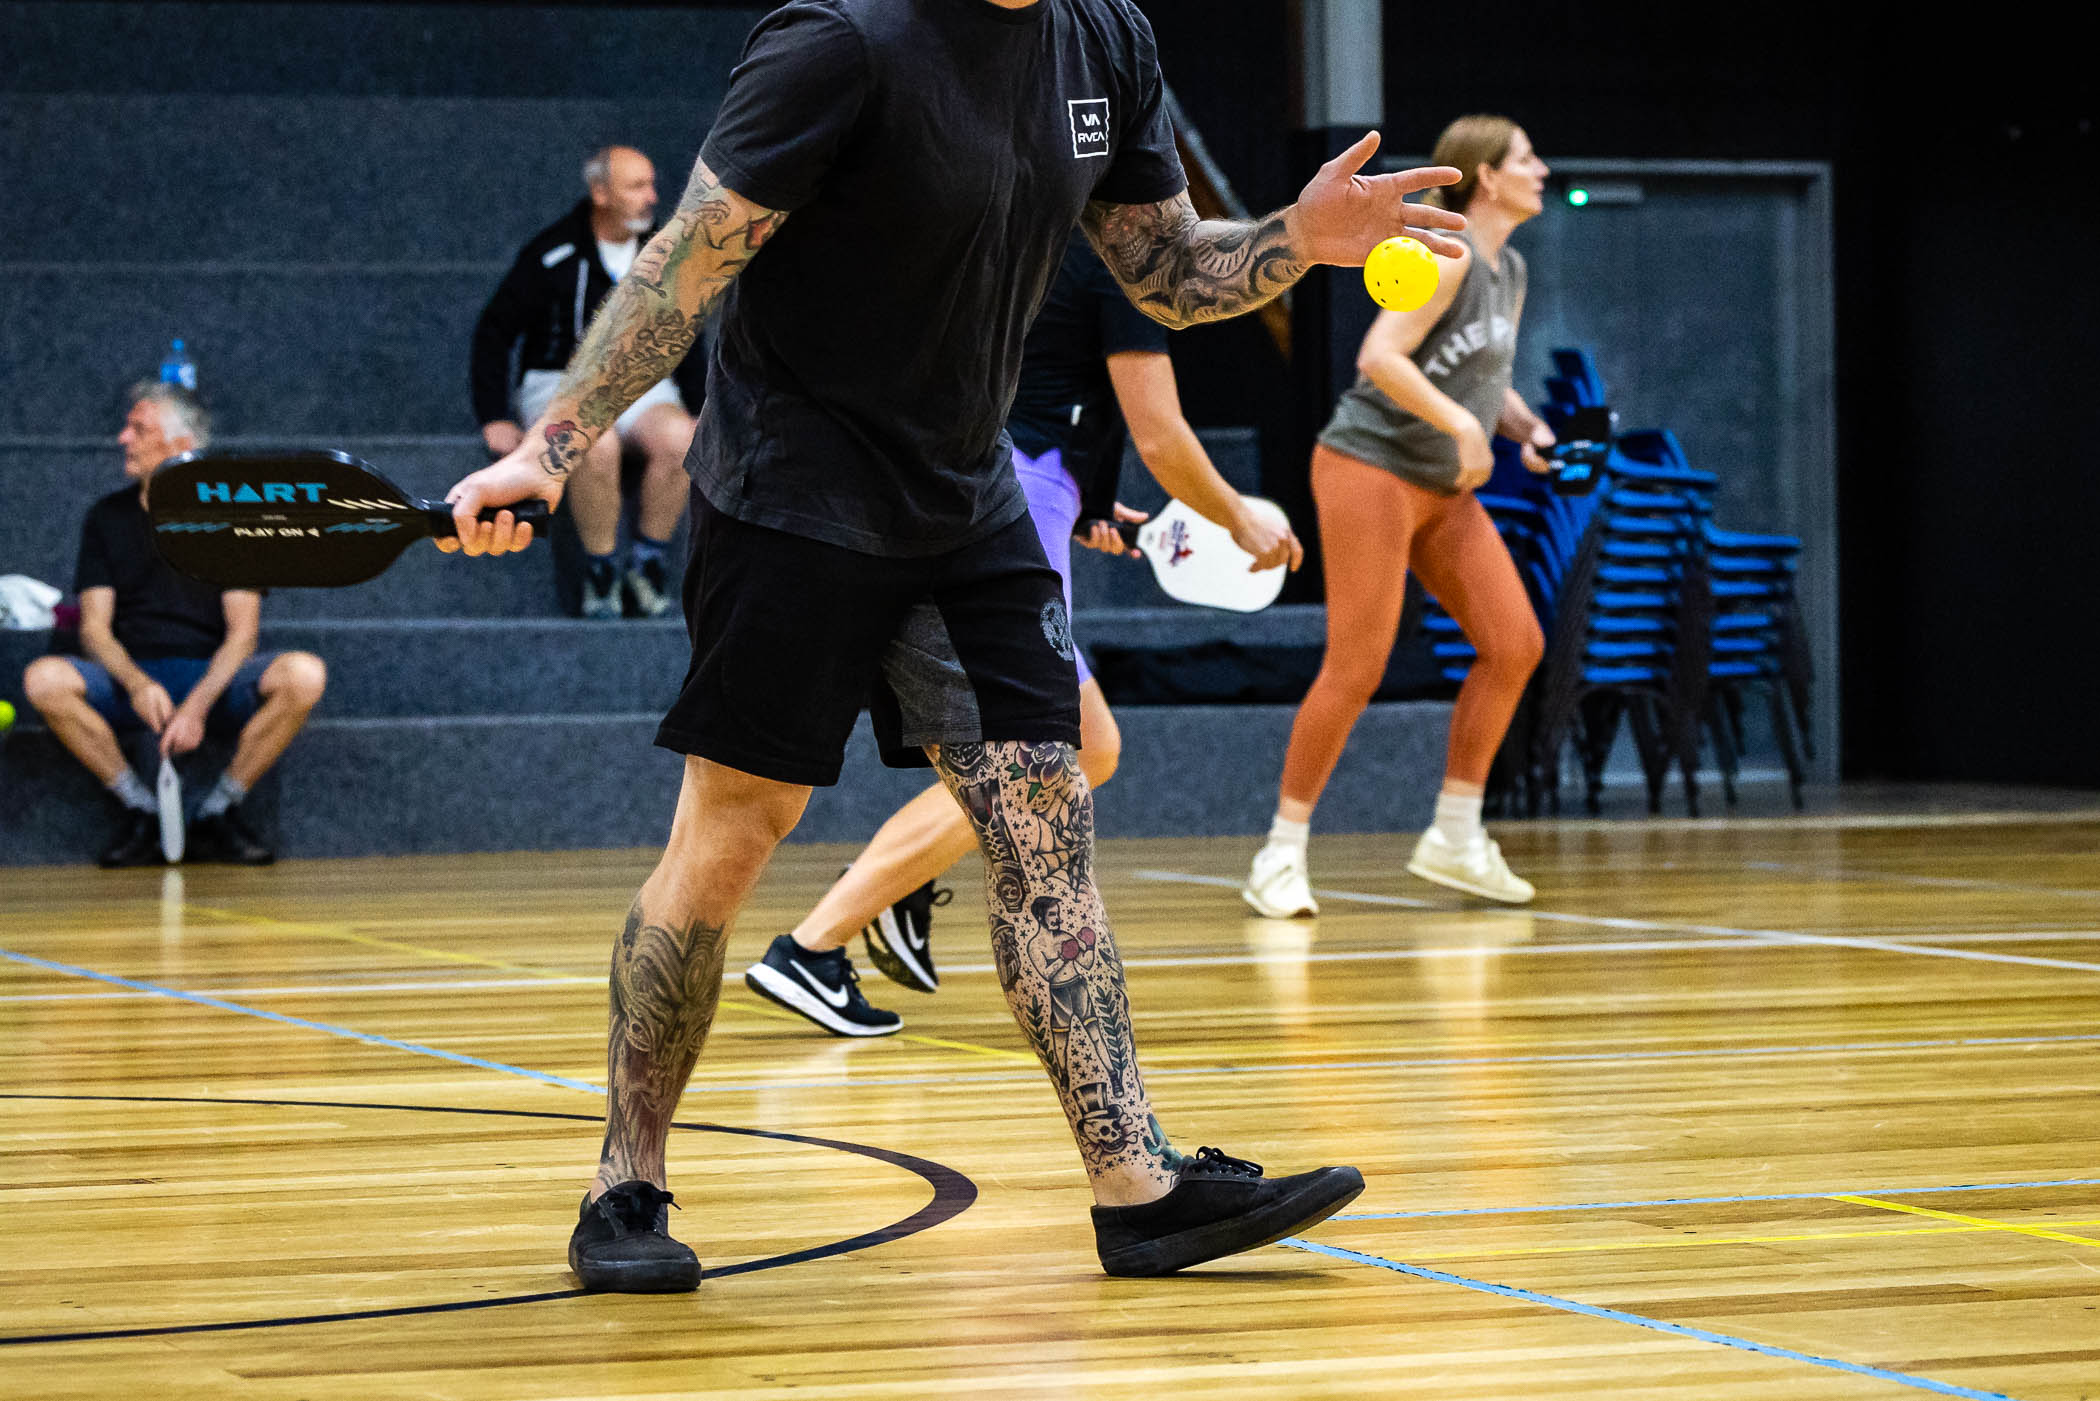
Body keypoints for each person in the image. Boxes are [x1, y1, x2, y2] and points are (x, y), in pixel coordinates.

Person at [438, 0, 1465, 1292]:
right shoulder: (839, 40)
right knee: (731, 834)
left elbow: (1162, 272)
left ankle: (1136, 1187)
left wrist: (1298, 240)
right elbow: (682, 268)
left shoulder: (1105, 41)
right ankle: (623, 1182)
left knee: (1046, 815)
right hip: (790, 494)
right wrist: (549, 447)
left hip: (964, 498)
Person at [742, 228, 1302, 1036]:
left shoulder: (1007, 236)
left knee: (1053, 749)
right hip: (1016, 504)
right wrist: (1240, 516)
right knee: (1053, 755)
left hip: (964, 486)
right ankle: (814, 946)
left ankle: (875, 897)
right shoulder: (1124, 262)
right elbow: (1160, 433)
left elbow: (1027, 385)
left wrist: (1088, 499)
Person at [1243, 116, 1554, 917]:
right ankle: (1279, 853)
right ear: (1486, 176)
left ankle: (1455, 833)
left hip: (1440, 485)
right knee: (1359, 663)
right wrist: (1459, 425)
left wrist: (1525, 428)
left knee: (1515, 644)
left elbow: (1481, 375)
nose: (1542, 169)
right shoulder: (1445, 258)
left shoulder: (1509, 269)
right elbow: (1379, 357)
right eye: (1526, 158)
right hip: (1368, 466)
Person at [21, 384, 328, 866]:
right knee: (44, 679)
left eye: (139, 429)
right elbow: (95, 630)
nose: (124, 438)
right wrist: (138, 684)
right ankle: (142, 810)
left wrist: (197, 708)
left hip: (212, 678)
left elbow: (243, 633)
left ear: (182, 446)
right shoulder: (107, 517)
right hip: (131, 678)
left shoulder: (233, 517)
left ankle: (218, 812)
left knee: (304, 674)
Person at [470, 145, 703, 619]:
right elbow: (495, 331)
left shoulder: (661, 254)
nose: (651, 196)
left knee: (684, 438)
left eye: (652, 184)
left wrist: (699, 405)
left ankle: (647, 564)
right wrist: (494, 415)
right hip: (560, 382)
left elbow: (688, 334)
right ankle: (600, 570)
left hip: (641, 382)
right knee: (591, 443)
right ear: (601, 193)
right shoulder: (554, 252)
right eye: (636, 186)